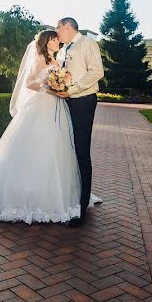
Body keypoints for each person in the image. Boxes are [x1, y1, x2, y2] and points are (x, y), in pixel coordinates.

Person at [0, 30, 100, 224]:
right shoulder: (40, 58)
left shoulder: (58, 58)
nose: (57, 40)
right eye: (54, 38)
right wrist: (49, 88)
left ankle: (60, 194)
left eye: (58, 37)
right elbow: (29, 83)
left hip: (58, 106)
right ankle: (29, 196)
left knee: (58, 149)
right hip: (41, 105)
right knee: (37, 147)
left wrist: (61, 85)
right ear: (47, 42)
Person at [51, 17, 104, 227]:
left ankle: (81, 207)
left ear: (68, 26)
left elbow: (97, 72)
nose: (57, 32)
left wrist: (72, 90)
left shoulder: (88, 43)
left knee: (81, 150)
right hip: (66, 103)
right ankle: (70, 199)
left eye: (58, 28)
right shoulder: (63, 49)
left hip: (82, 102)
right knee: (68, 150)